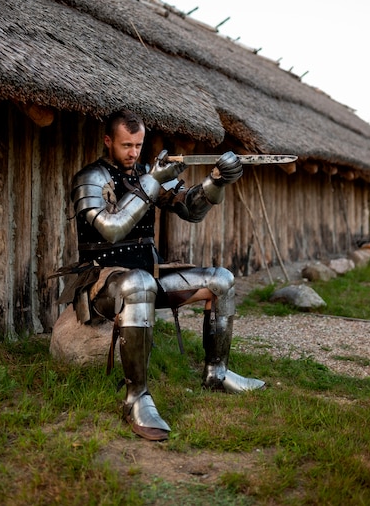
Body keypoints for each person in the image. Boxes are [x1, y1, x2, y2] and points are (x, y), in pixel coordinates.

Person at [67, 109, 264, 442]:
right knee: (139, 283)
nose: (133, 152)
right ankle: (137, 398)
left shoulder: (147, 173)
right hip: (102, 283)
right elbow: (112, 230)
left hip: (146, 275)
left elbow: (192, 209)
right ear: (108, 141)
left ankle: (217, 372)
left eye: (138, 145)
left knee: (221, 280)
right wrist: (152, 181)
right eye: (126, 145)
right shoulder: (91, 178)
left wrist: (216, 182)